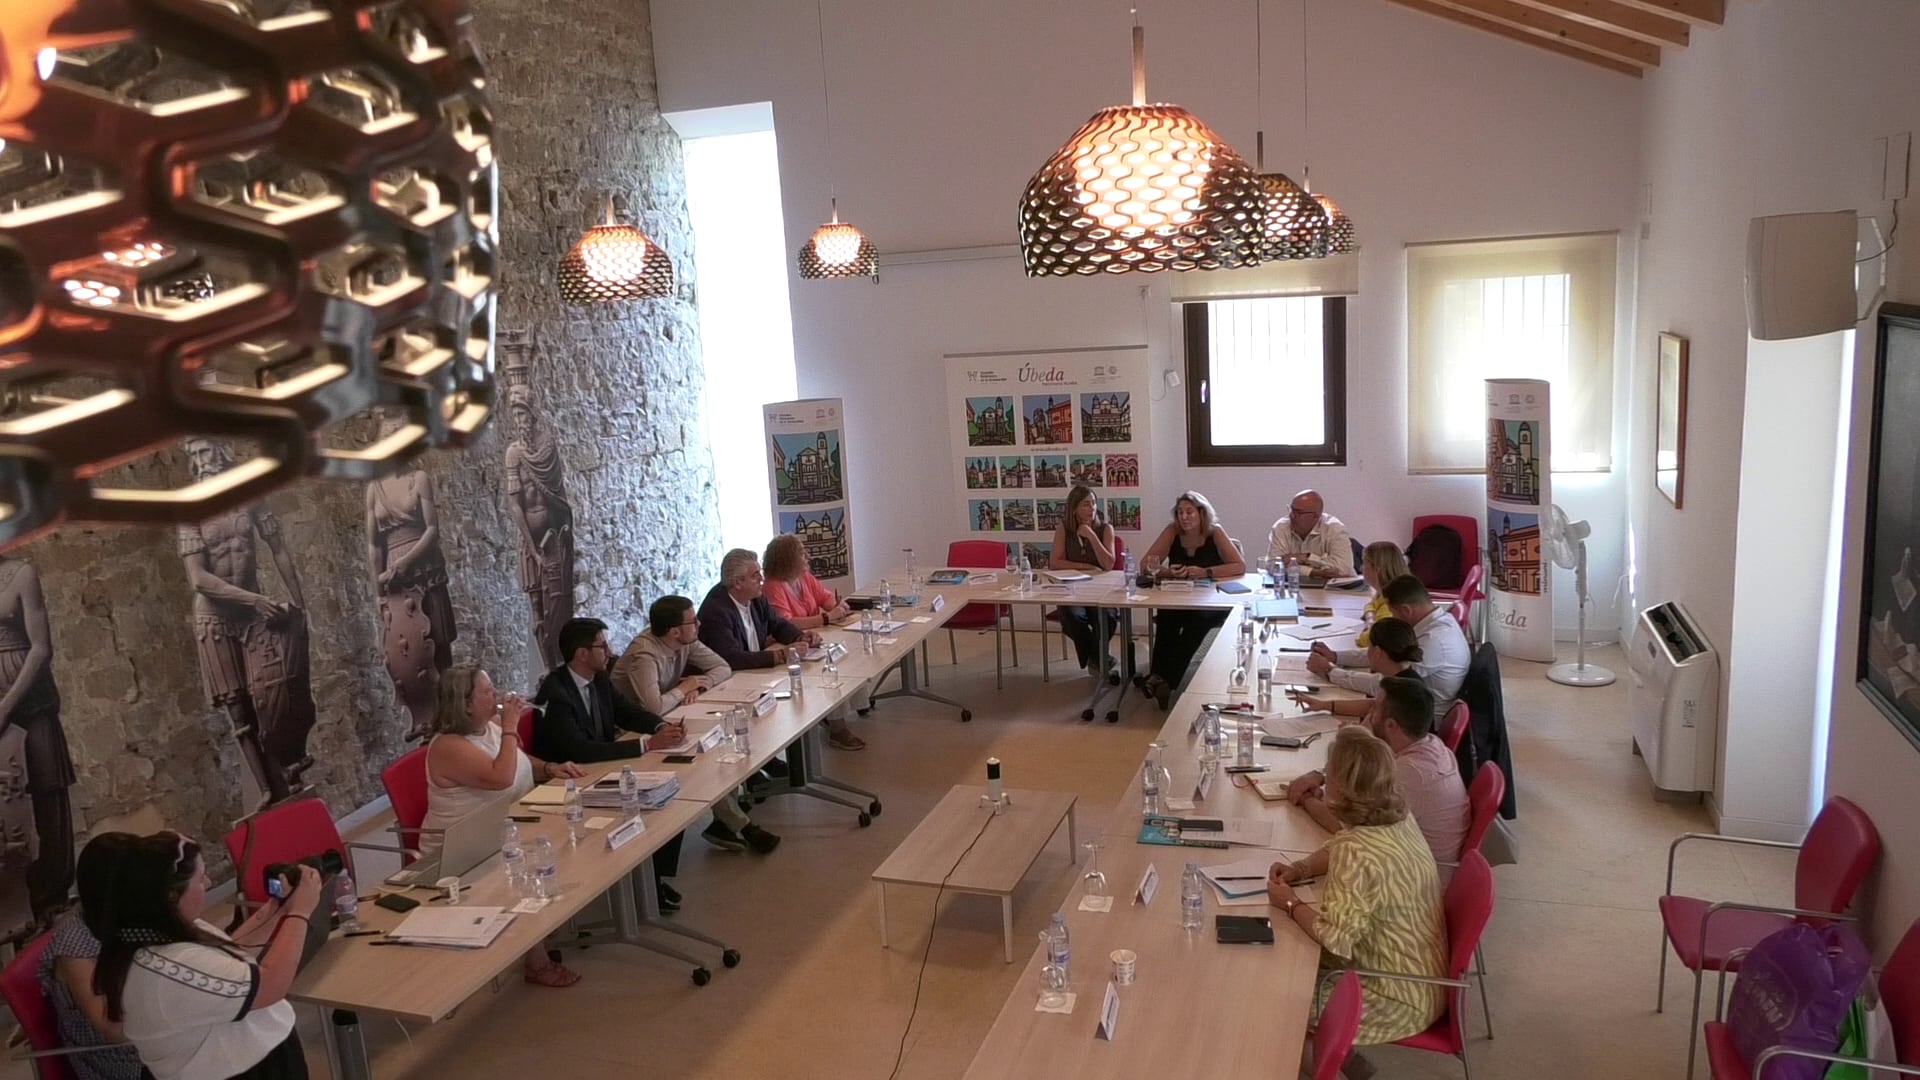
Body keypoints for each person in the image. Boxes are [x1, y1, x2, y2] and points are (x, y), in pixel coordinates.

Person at [1268, 727, 1447, 1071]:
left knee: (1275, 999)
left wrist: (1290, 903)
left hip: (1394, 997)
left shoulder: (1357, 851)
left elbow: (1336, 939)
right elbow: (1339, 843)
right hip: (1419, 979)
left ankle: (1324, 1061)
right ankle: (1351, 1062)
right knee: (1285, 962)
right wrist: (1301, 868)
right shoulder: (1396, 816)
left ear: (1340, 785)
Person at [81, 830, 324, 1079]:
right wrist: (300, 913)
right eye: (200, 879)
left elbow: (229, 956)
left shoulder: (159, 932)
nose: (208, 883)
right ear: (171, 897)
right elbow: (270, 985)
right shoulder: (166, 968)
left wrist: (277, 908)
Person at [547, 617, 779, 856]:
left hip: (604, 761)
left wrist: (660, 727)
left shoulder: (599, 678)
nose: (610, 652)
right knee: (661, 792)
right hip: (576, 776)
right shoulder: (556, 692)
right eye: (603, 647)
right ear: (582, 654)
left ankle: (659, 875)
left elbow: (627, 712)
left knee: (673, 782)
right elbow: (579, 749)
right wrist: (646, 744)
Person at [423, 665, 590, 982]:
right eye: (487, 691)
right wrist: (512, 726)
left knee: (571, 839)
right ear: (465, 703)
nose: (496, 694)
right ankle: (536, 960)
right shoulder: (448, 746)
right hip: (460, 849)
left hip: (503, 827)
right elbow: (500, 778)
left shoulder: (491, 726)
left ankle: (542, 929)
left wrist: (551, 768)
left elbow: (519, 765)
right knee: (534, 860)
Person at [1283, 678, 1471, 879]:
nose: (1369, 716)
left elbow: (1346, 827)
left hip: (1411, 885)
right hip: (1408, 867)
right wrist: (1322, 776)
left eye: (1375, 710)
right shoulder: (1431, 744)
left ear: (1391, 725)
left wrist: (1306, 799)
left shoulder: (1408, 773)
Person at [38, 833, 147, 1080]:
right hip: (114, 1061)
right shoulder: (75, 947)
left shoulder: (116, 916)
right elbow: (113, 1030)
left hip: (145, 1039)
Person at [1138, 491, 1246, 710]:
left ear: (1201, 513)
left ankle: (1165, 680)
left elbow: (1239, 566)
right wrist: (1168, 572)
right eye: (1179, 513)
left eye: (1189, 512)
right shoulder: (1172, 531)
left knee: (1197, 622)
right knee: (1167, 616)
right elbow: (1146, 565)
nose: (1183, 517)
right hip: (1179, 596)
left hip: (1211, 601)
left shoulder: (1215, 532)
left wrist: (1205, 571)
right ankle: (1159, 678)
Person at [761, 535, 870, 750]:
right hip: (790, 645)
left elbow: (826, 599)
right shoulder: (773, 586)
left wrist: (838, 607)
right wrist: (826, 618)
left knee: (848, 654)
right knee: (831, 667)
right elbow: (786, 623)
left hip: (814, 638)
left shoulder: (804, 577)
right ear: (787, 559)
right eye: (801, 553)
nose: (807, 556)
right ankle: (837, 728)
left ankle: (847, 709)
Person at [1308, 575, 1469, 717]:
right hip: (1407, 710)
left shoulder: (1435, 642)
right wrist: (1335, 656)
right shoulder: (1433, 623)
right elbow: (1384, 653)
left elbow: (1380, 685)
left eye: (1393, 612)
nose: (1392, 617)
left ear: (1406, 610)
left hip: (1421, 722)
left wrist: (1330, 672)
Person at [1047, 485, 1134, 685]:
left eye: (1094, 504)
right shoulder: (1063, 529)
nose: (1091, 509)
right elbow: (1055, 562)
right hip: (1073, 590)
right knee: (1071, 616)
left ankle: (1096, 660)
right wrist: (1084, 566)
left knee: (1108, 617)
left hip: (1102, 590)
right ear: (1074, 508)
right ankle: (1100, 659)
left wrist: (1091, 536)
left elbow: (1108, 564)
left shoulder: (1105, 529)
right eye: (1086, 504)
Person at [698, 549, 821, 671]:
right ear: (737, 583)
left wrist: (800, 637)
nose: (761, 579)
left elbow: (778, 625)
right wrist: (780, 655)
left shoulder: (756, 597)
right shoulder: (716, 611)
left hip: (754, 673)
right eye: (755, 576)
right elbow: (731, 657)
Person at [612, 596, 733, 715]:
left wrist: (699, 686)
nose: (699, 624)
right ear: (675, 632)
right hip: (628, 727)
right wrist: (684, 688)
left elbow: (722, 667)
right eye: (693, 621)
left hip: (665, 713)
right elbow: (654, 708)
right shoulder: (644, 655)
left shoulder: (686, 641)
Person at [1290, 617, 1423, 721]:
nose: (1367, 653)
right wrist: (1324, 705)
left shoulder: (1403, 691)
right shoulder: (1401, 677)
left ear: (1377, 652)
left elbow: (1376, 715)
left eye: (1369, 647)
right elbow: (1373, 705)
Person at [1266, 489, 1354, 580]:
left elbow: (1344, 569)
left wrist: (1307, 557)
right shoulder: (1281, 527)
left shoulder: (1334, 529)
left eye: (1298, 512)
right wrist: (1313, 572)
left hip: (1335, 590)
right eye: (1291, 509)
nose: (1291, 515)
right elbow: (1273, 566)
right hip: (1295, 587)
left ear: (1316, 516)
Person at [1352, 542, 1411, 649]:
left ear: (1377, 569)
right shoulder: (1386, 591)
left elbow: (1367, 640)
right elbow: (1371, 605)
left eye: (1364, 563)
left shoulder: (1392, 602)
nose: (1361, 568)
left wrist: (1370, 627)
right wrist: (1370, 618)